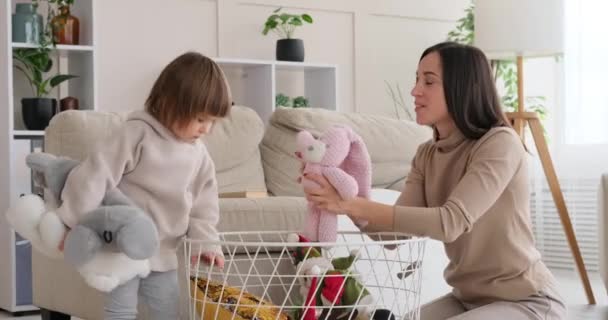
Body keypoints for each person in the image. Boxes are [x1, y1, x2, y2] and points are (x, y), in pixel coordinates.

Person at [302, 42, 566, 319]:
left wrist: (351, 204)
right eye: (417, 80)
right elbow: (393, 236)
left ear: (461, 86)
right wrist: (341, 197)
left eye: (429, 81)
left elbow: (451, 222)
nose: (415, 90)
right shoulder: (427, 154)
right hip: (467, 300)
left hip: (527, 301)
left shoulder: (499, 143)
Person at [55, 51, 231, 319]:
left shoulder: (199, 153)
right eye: (199, 119)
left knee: (170, 309)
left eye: (212, 122)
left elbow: (204, 204)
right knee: (121, 310)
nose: (205, 129)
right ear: (170, 103)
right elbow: (95, 175)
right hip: (122, 246)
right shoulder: (137, 134)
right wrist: (72, 223)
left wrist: (206, 242)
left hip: (164, 250)